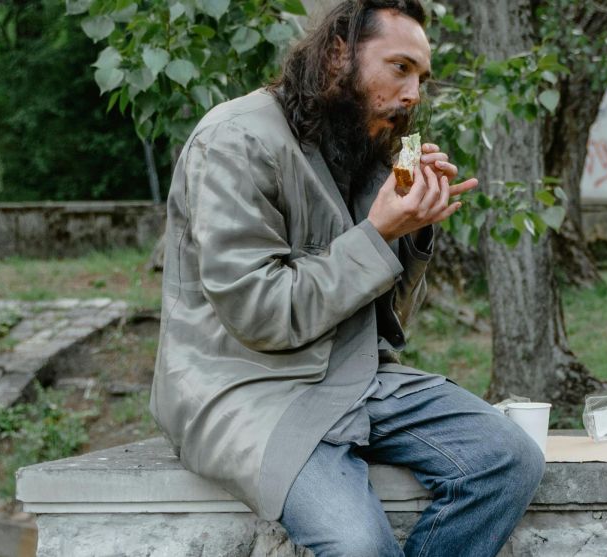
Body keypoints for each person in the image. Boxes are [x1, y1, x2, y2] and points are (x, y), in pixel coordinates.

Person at [150, 2, 543, 556]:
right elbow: (261, 315)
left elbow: (390, 326)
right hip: (247, 389)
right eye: (399, 68)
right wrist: (378, 233)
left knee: (509, 459)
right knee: (359, 544)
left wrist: (413, 231)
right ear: (339, 53)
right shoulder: (235, 140)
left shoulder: (359, 147)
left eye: (422, 78)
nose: (413, 95)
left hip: (353, 375)